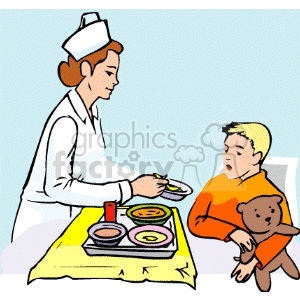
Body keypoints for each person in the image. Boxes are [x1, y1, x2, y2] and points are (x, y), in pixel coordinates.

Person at [12, 12, 168, 242]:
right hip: (40, 230)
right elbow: (58, 187)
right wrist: (131, 189)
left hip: (69, 222)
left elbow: (96, 166)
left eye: (115, 72)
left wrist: (141, 178)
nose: (115, 80)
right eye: (108, 72)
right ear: (86, 69)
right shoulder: (65, 121)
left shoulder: (91, 112)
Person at [188, 122, 293, 283]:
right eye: (226, 150)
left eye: (238, 152)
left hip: (243, 270)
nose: (228, 156)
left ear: (256, 157)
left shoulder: (272, 195)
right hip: (205, 263)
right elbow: (195, 221)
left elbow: (283, 233)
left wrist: (254, 261)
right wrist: (232, 232)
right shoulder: (215, 184)